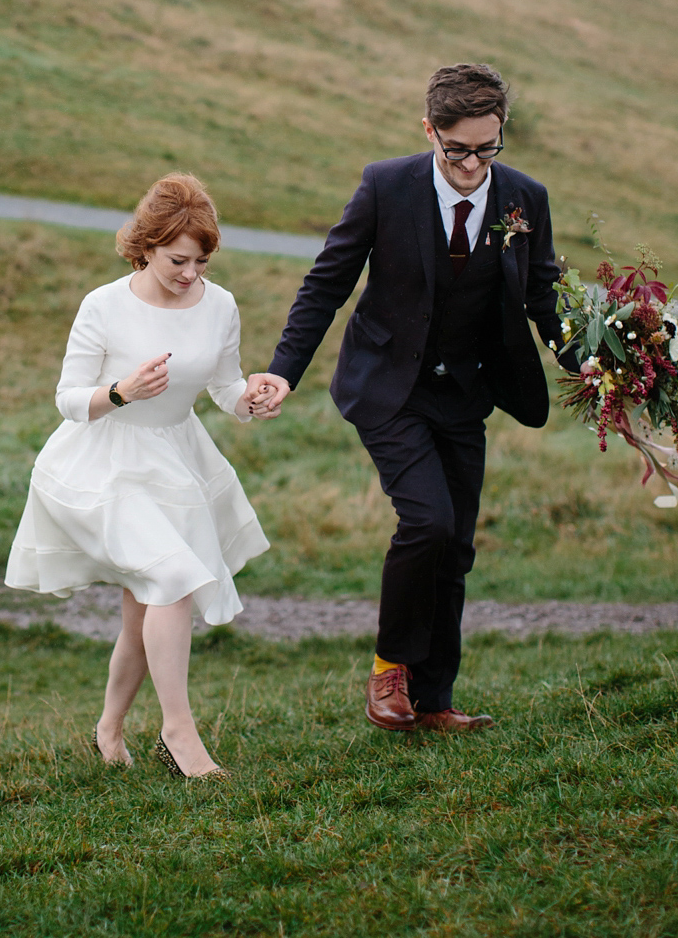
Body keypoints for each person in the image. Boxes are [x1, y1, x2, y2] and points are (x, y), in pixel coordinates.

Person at [245, 64, 578, 733]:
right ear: (431, 131)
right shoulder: (385, 186)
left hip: (468, 393)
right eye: (458, 151)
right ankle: (389, 669)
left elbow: (545, 300)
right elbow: (326, 282)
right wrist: (286, 369)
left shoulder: (524, 199)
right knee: (426, 522)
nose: (474, 165)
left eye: (489, 149)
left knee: (455, 545)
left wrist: (603, 369)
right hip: (387, 387)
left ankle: (432, 700)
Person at [6, 173, 274, 779]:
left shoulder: (221, 303)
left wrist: (251, 399)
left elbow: (225, 386)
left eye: (202, 261)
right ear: (146, 244)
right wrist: (121, 392)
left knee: (144, 609)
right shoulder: (104, 305)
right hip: (105, 465)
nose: (191, 274)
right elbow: (68, 399)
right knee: (175, 581)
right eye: (179, 260)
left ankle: (108, 730)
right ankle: (179, 735)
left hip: (177, 462)